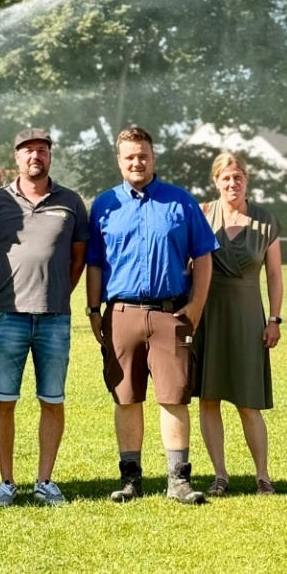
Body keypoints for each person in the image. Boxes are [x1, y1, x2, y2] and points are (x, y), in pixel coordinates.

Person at [83, 125, 219, 505]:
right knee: (125, 397)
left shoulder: (180, 202)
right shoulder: (104, 205)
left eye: (142, 155)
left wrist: (196, 305)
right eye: (129, 156)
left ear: (153, 157)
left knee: (173, 397)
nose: (137, 162)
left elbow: (205, 256)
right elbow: (94, 263)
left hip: (169, 313)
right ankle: (131, 480)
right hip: (121, 313)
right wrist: (94, 310)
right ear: (119, 161)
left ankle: (178, 481)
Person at [0, 127, 88, 506]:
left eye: (41, 150)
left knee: (52, 400)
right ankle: (6, 481)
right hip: (8, 318)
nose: (34, 156)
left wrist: (56, 293)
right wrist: (5, 295)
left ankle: (44, 481)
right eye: (27, 151)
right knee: (4, 400)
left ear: (50, 156)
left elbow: (77, 260)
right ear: (17, 157)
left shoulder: (71, 201)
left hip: (55, 318)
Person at [194, 151, 284, 496]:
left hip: (248, 315)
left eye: (238, 177)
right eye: (226, 178)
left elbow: (275, 275)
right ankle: (220, 475)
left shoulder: (265, 221)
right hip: (208, 314)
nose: (232, 183)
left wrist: (274, 319)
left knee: (248, 401)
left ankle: (263, 476)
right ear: (216, 181)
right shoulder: (202, 214)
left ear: (247, 180)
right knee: (209, 398)